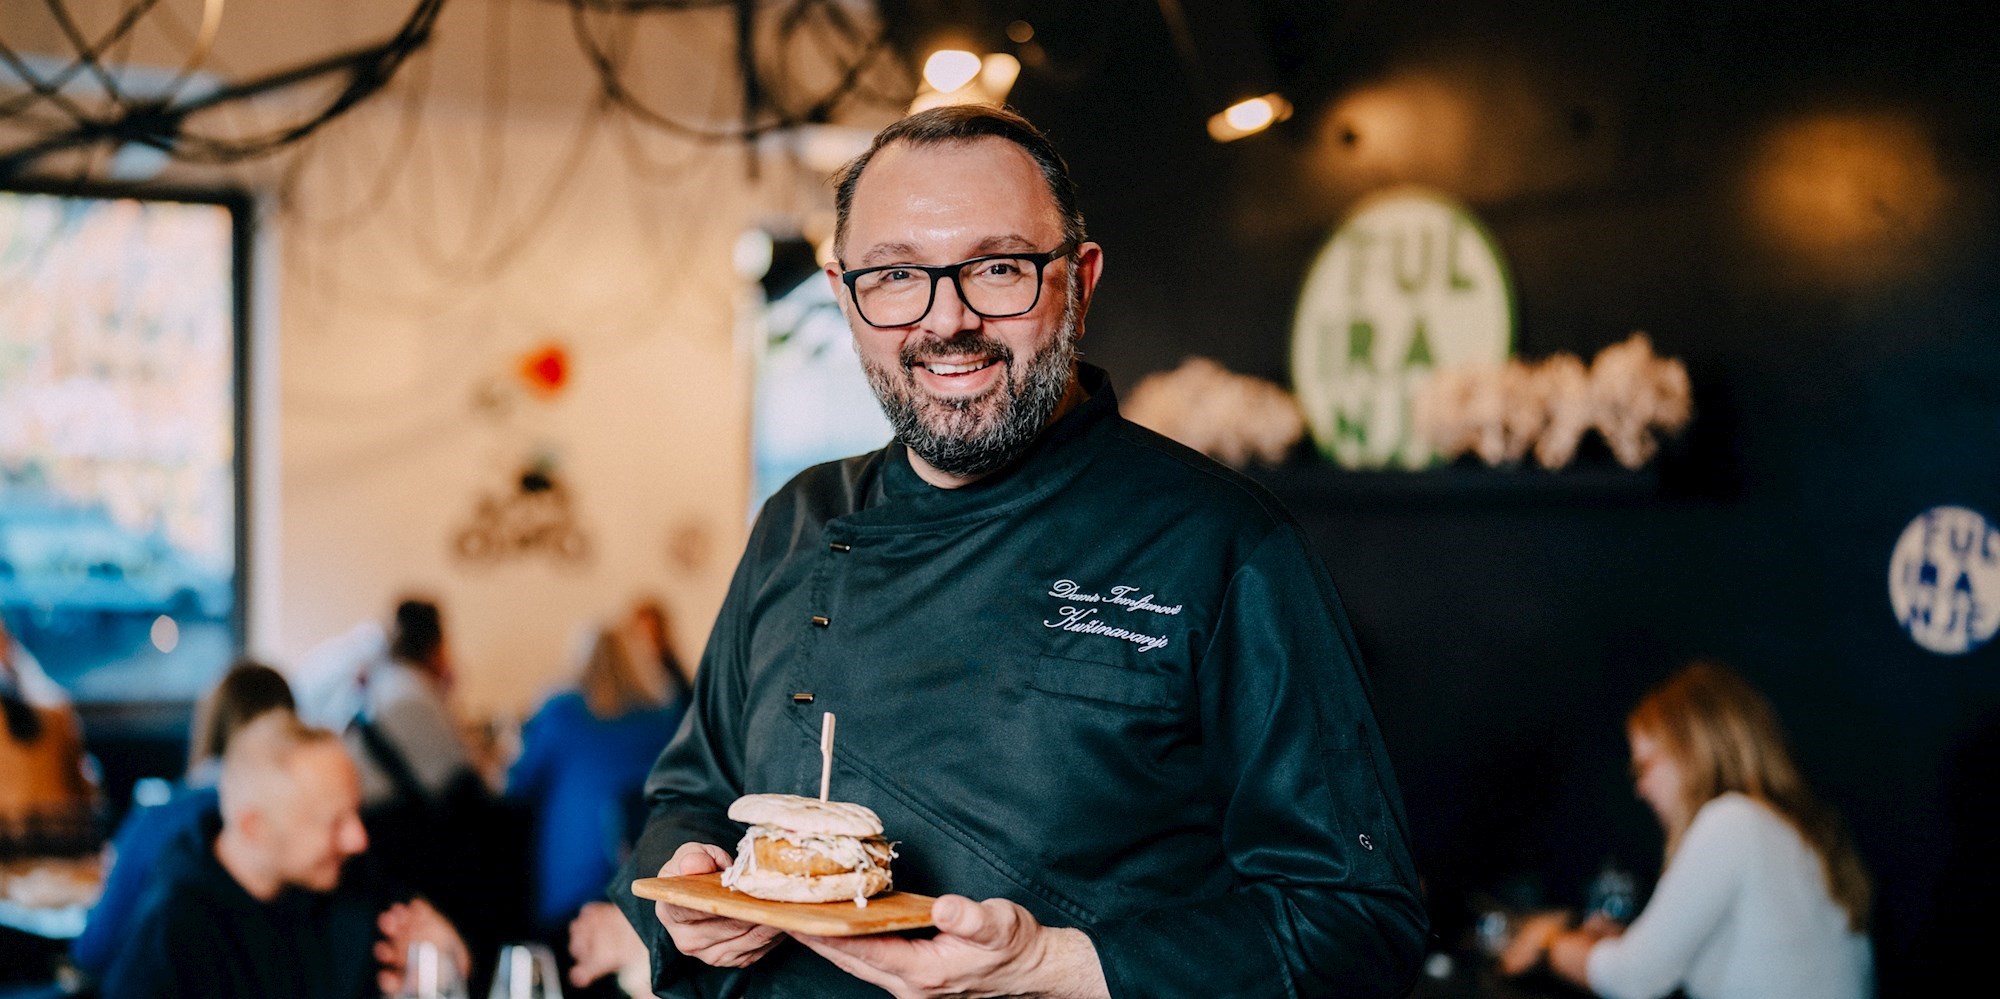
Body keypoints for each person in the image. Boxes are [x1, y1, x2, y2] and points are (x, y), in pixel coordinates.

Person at [611, 104, 1427, 998]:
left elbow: (1357, 920)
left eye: (998, 268)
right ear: (846, 296)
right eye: (895, 275)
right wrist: (680, 892)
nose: (946, 320)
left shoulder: (1222, 541)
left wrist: (1057, 966)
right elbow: (686, 795)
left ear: (1079, 279)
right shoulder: (798, 518)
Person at [1499, 661, 1874, 999]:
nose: (1640, 788)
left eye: (1644, 767)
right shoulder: (1788, 831)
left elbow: (1632, 978)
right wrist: (1627, 943)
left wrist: (1548, 942)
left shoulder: (1732, 821)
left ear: (1691, 752)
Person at [100, 710, 471, 998]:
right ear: (254, 828)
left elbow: (438, 963)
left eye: (356, 813)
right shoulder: (171, 934)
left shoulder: (351, 880)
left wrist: (448, 958)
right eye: (333, 821)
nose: (358, 839)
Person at [70, 659, 296, 978]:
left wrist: (110, 883)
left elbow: (93, 951)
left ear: (210, 724)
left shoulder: (159, 821)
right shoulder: (301, 831)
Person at [507, 621, 687, 938]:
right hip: (642, 882)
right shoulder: (663, 716)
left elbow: (518, 785)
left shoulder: (561, 712)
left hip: (570, 880)